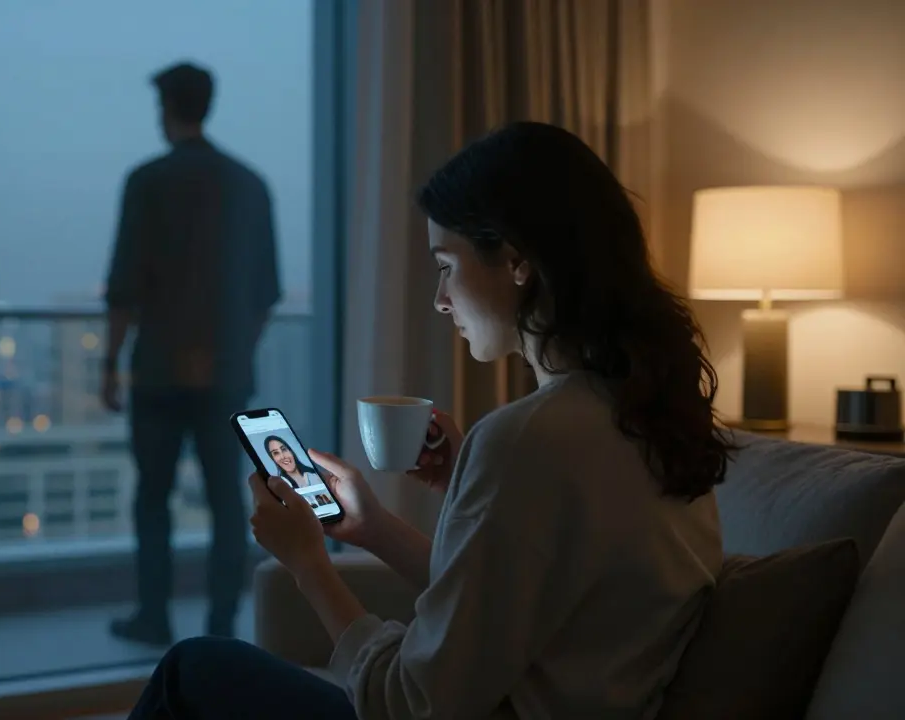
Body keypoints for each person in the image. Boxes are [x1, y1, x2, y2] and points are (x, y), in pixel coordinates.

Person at [127, 121, 732, 719]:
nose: (441, 299)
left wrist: (308, 564)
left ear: (517, 260)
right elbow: (504, 611)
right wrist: (376, 526)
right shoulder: (647, 413)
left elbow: (410, 704)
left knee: (194, 668)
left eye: (446, 265)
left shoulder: (529, 438)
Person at [102, 61, 280, 645]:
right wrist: (233, 354)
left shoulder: (147, 181)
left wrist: (109, 363)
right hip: (224, 374)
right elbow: (264, 295)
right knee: (227, 502)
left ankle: (154, 617)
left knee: (152, 499)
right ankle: (223, 625)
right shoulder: (251, 184)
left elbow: (125, 284)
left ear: (166, 109)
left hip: (156, 371)